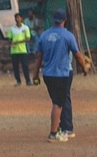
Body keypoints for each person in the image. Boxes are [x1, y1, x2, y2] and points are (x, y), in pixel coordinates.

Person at [36, 11, 91, 142]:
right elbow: (77, 55)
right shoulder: (68, 35)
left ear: (53, 19)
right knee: (60, 102)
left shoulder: (44, 35)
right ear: (65, 20)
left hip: (48, 74)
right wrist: (84, 68)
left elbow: (38, 57)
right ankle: (56, 132)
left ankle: (63, 126)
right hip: (62, 73)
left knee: (58, 100)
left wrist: (34, 74)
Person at [6, 14, 33, 86]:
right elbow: (9, 38)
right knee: (15, 66)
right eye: (16, 18)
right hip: (14, 50)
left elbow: (28, 39)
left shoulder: (25, 28)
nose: (17, 19)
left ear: (21, 18)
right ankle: (18, 80)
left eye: (18, 17)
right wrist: (11, 43)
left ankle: (28, 80)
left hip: (22, 50)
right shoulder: (12, 28)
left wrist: (17, 42)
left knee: (25, 66)